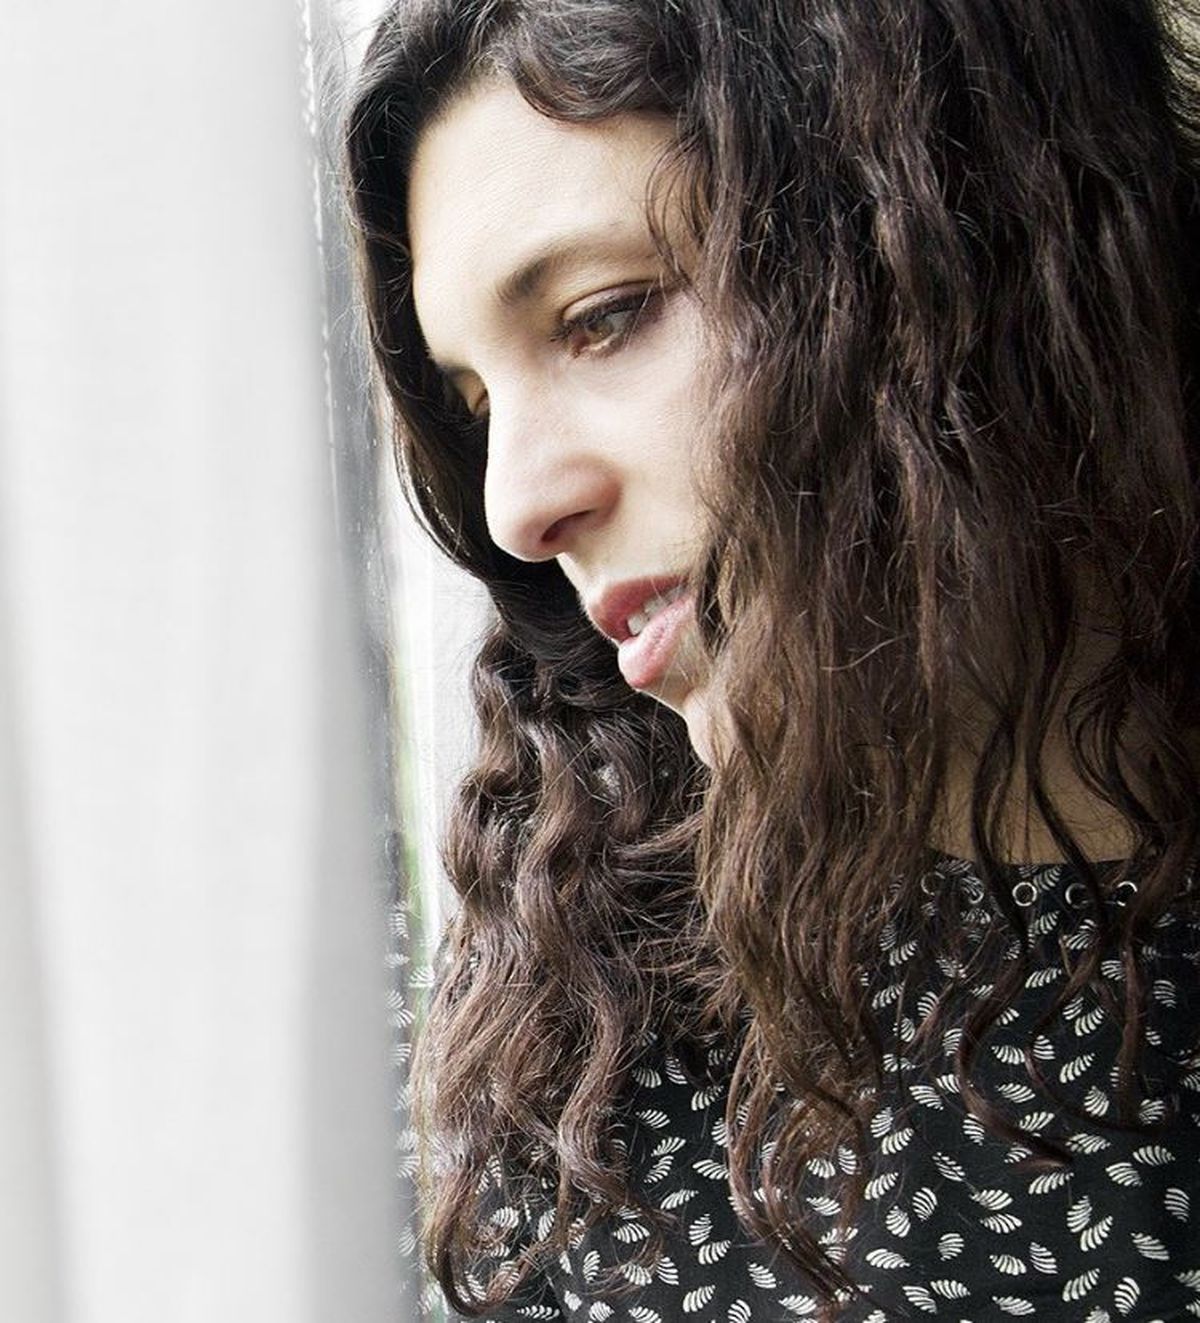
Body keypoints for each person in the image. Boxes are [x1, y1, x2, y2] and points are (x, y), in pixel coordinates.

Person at [344, 0, 1200, 1317]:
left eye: (602, 317)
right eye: (475, 404)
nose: (514, 504)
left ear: (943, 238)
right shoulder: (573, 1023)